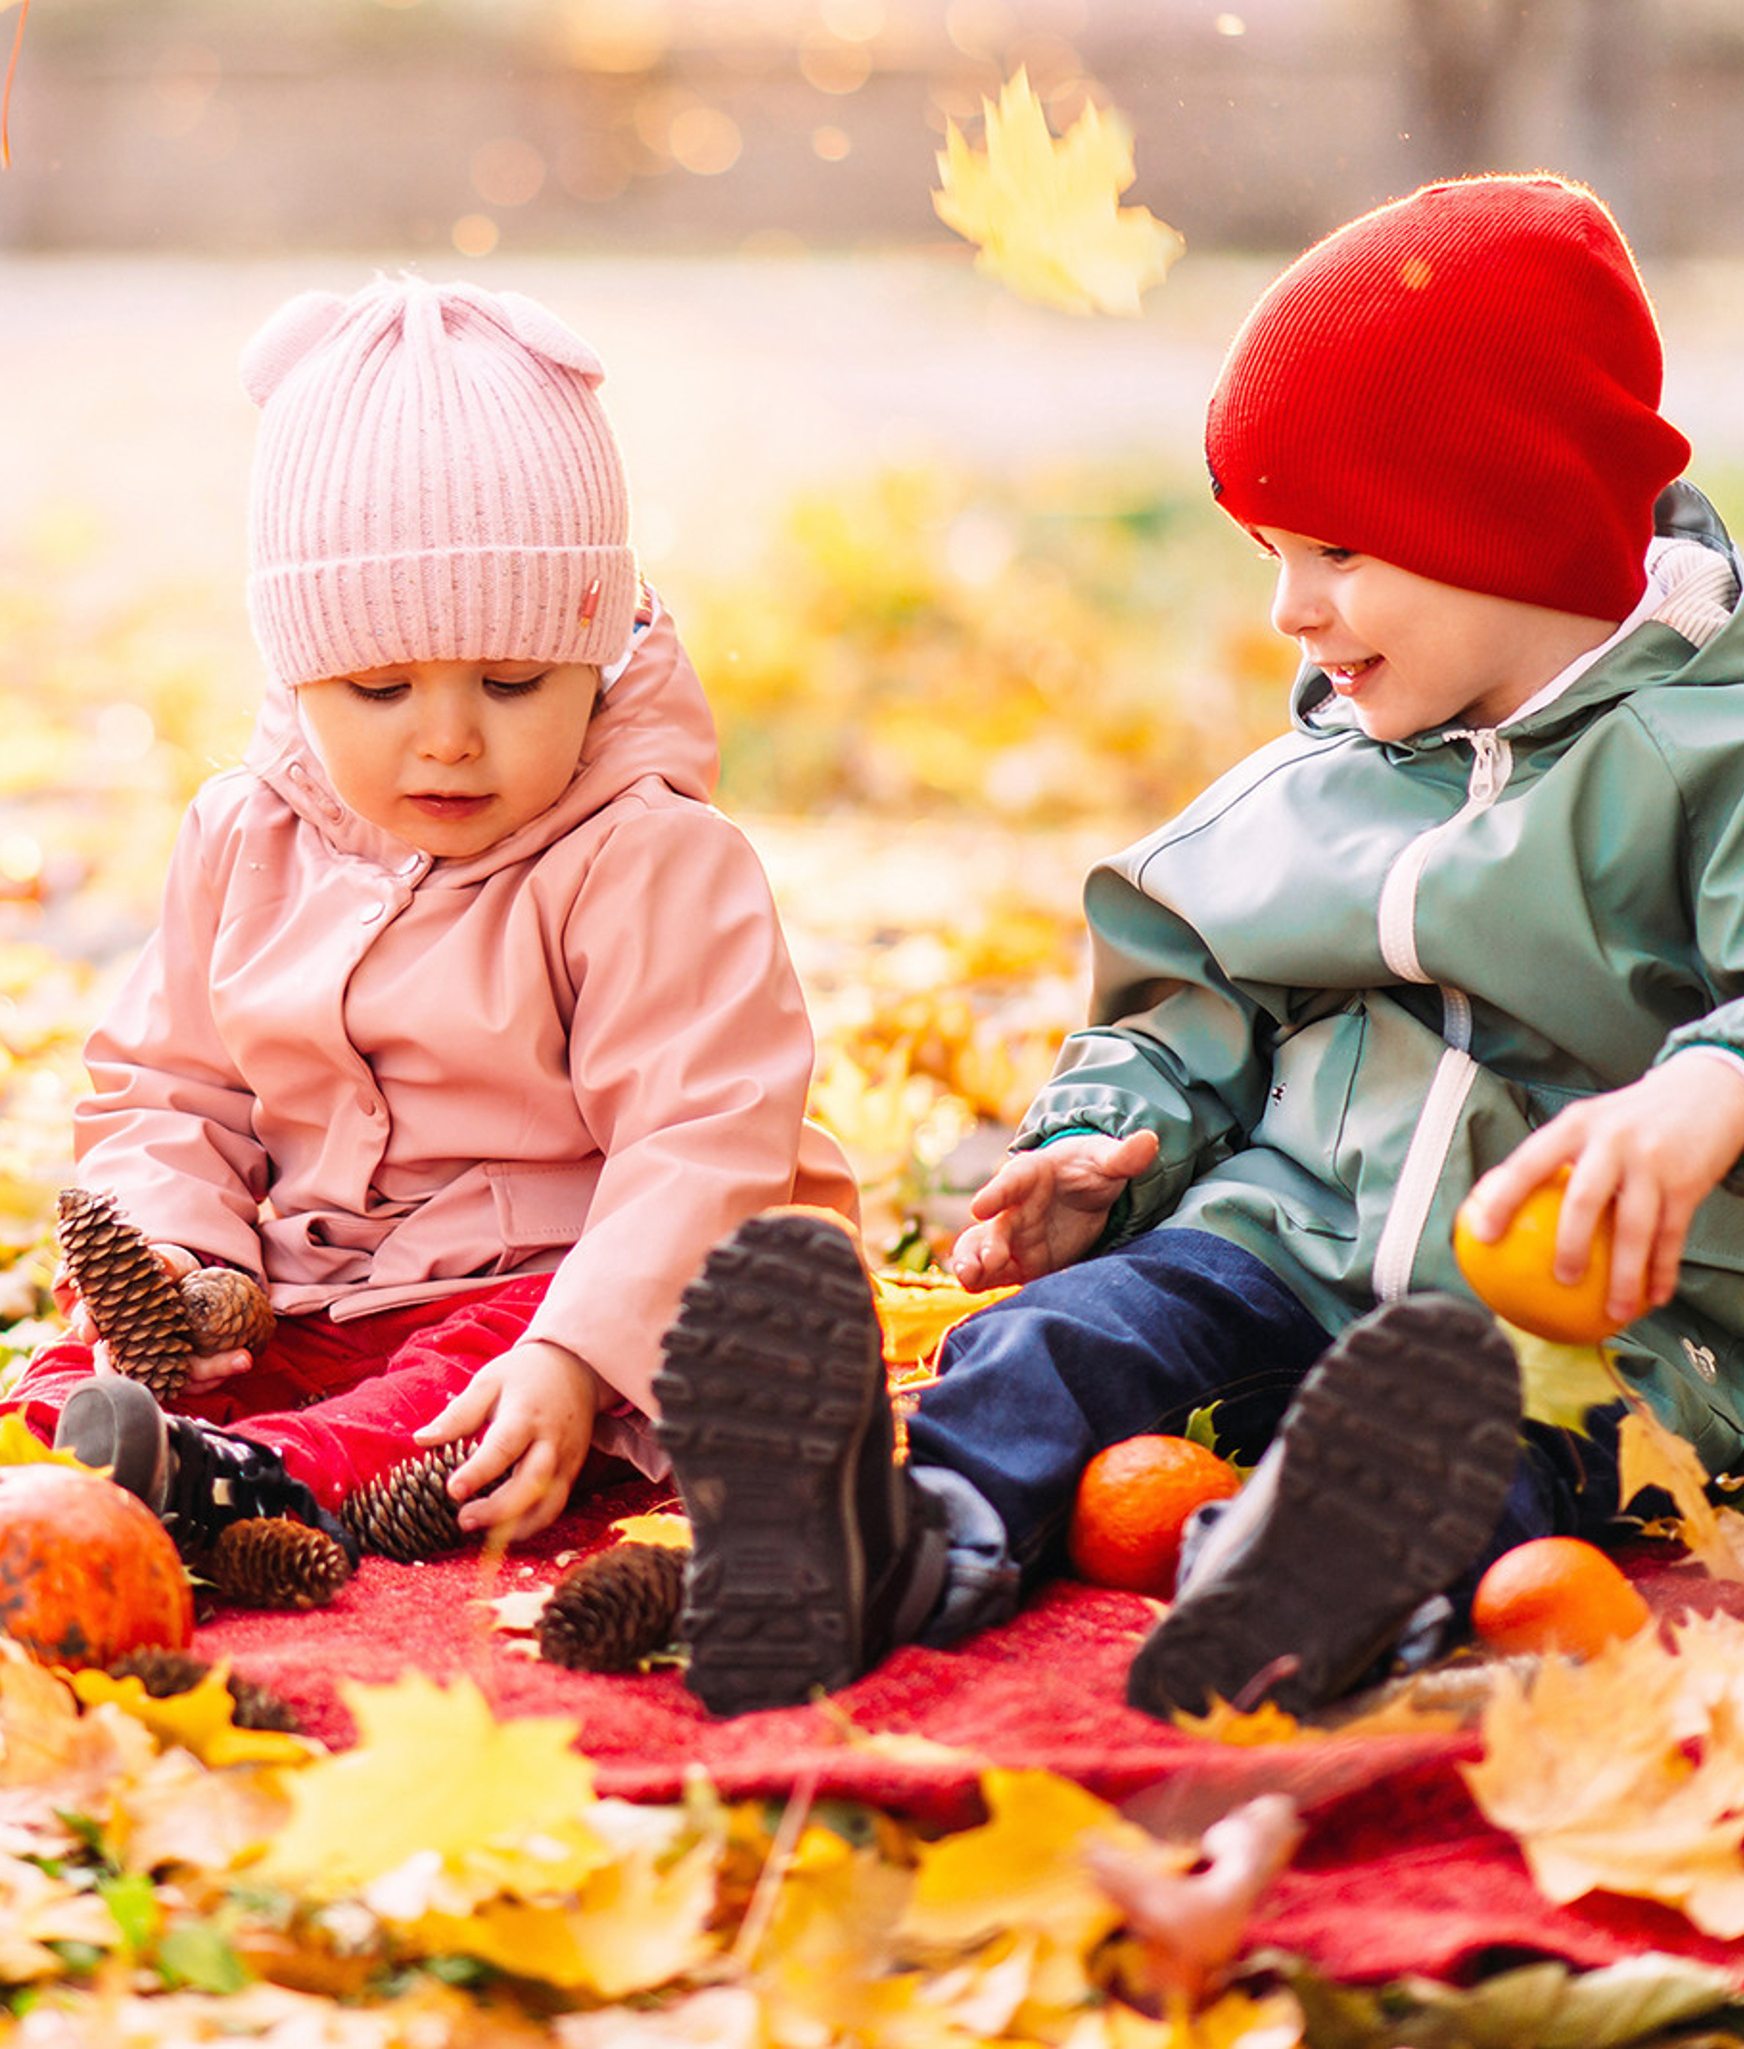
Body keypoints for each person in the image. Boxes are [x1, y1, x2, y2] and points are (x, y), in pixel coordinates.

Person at [661, 174, 1744, 1722]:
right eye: (1269, 552)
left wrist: (1711, 1082)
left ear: (1512, 520)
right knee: (1071, 1338)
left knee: (1497, 1450)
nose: (1291, 609)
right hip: (1285, 1243)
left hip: (1599, 1322)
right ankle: (890, 1538)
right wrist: (1106, 1145)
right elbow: (1185, 1004)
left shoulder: (1708, 760)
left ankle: (1300, 1584)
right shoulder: (1322, 779)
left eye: (1339, 551)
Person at [0, 275, 855, 1558]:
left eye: (510, 681)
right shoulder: (246, 833)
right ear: (297, 671)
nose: (447, 736)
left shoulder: (649, 859)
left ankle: (240, 1489)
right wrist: (174, 1258)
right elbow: (170, 1088)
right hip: (302, 1290)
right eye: (379, 688)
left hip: (553, 1297)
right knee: (115, 1369)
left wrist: (577, 1348)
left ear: (593, 660)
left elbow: (699, 1144)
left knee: (456, 1393)